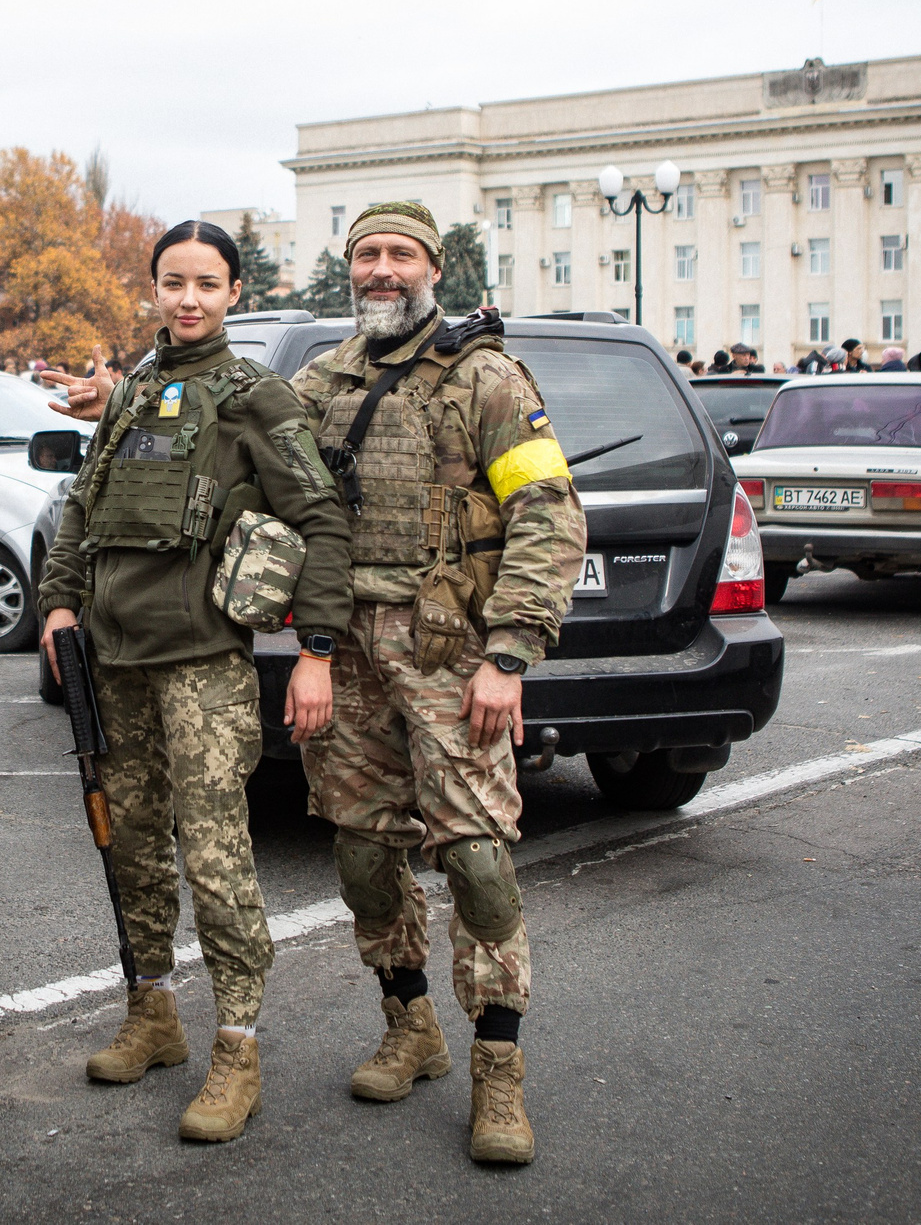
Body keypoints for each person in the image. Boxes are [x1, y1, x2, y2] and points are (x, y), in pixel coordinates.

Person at [36, 222, 354, 1145]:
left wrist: (317, 648)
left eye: (205, 283)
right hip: (114, 658)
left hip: (203, 666)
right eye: (172, 281)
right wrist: (59, 605)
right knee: (128, 840)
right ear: (156, 288)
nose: (187, 299)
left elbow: (321, 522)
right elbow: (85, 507)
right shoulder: (137, 388)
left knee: (214, 854)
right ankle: (153, 1012)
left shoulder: (258, 400)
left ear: (234, 291)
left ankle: (239, 1047)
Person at [285, 203, 587, 1167]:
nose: (381, 268)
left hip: (452, 650)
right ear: (349, 266)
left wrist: (510, 653)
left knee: (478, 856)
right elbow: (265, 484)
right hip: (348, 652)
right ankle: (409, 1023)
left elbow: (547, 511)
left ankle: (499, 1066)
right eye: (366, 253)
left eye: (399, 253)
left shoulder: (486, 377)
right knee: (363, 850)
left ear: (432, 265)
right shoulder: (322, 380)